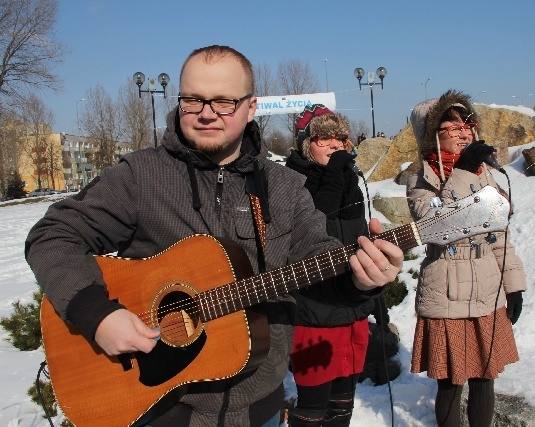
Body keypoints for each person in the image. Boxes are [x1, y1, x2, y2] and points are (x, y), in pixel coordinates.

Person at [24, 45, 404, 427]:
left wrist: (361, 280)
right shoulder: (141, 176)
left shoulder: (286, 189)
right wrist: (97, 315)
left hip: (259, 409)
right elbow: (53, 235)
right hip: (159, 407)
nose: (206, 113)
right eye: (192, 100)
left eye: (224, 102)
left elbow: (320, 266)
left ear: (251, 107)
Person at [406, 90, 527, 427]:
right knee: (451, 381)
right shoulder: (420, 178)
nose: (464, 130)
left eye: (468, 123)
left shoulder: (483, 174)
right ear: (433, 133)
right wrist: (466, 170)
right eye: (453, 123)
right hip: (446, 294)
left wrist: (514, 285)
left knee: (485, 378)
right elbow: (436, 224)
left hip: (487, 290)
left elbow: (499, 234)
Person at [284, 105, 376, 426]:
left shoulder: (349, 180)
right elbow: (317, 221)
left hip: (350, 312)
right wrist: (337, 172)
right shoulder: (292, 181)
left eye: (340, 137)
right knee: (312, 411)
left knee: (342, 408)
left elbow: (356, 236)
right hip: (313, 314)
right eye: (324, 138)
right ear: (305, 143)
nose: (335, 144)